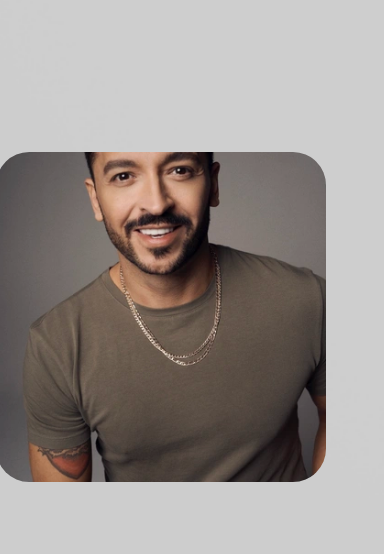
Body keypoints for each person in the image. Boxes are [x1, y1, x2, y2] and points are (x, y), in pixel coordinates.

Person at [23, 152, 326, 481]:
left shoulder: (306, 298)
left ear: (213, 185)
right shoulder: (58, 345)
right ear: (96, 199)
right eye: (124, 176)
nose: (156, 204)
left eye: (180, 170)